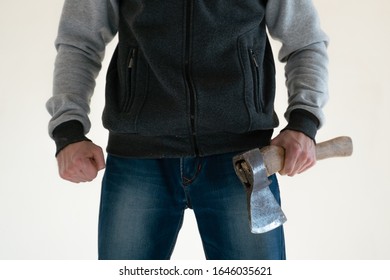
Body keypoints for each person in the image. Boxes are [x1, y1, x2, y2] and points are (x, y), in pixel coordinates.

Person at [46, 0, 329, 260]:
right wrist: (68, 129)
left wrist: (304, 122)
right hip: (138, 161)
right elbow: (79, 41)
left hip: (242, 164)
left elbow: (304, 42)